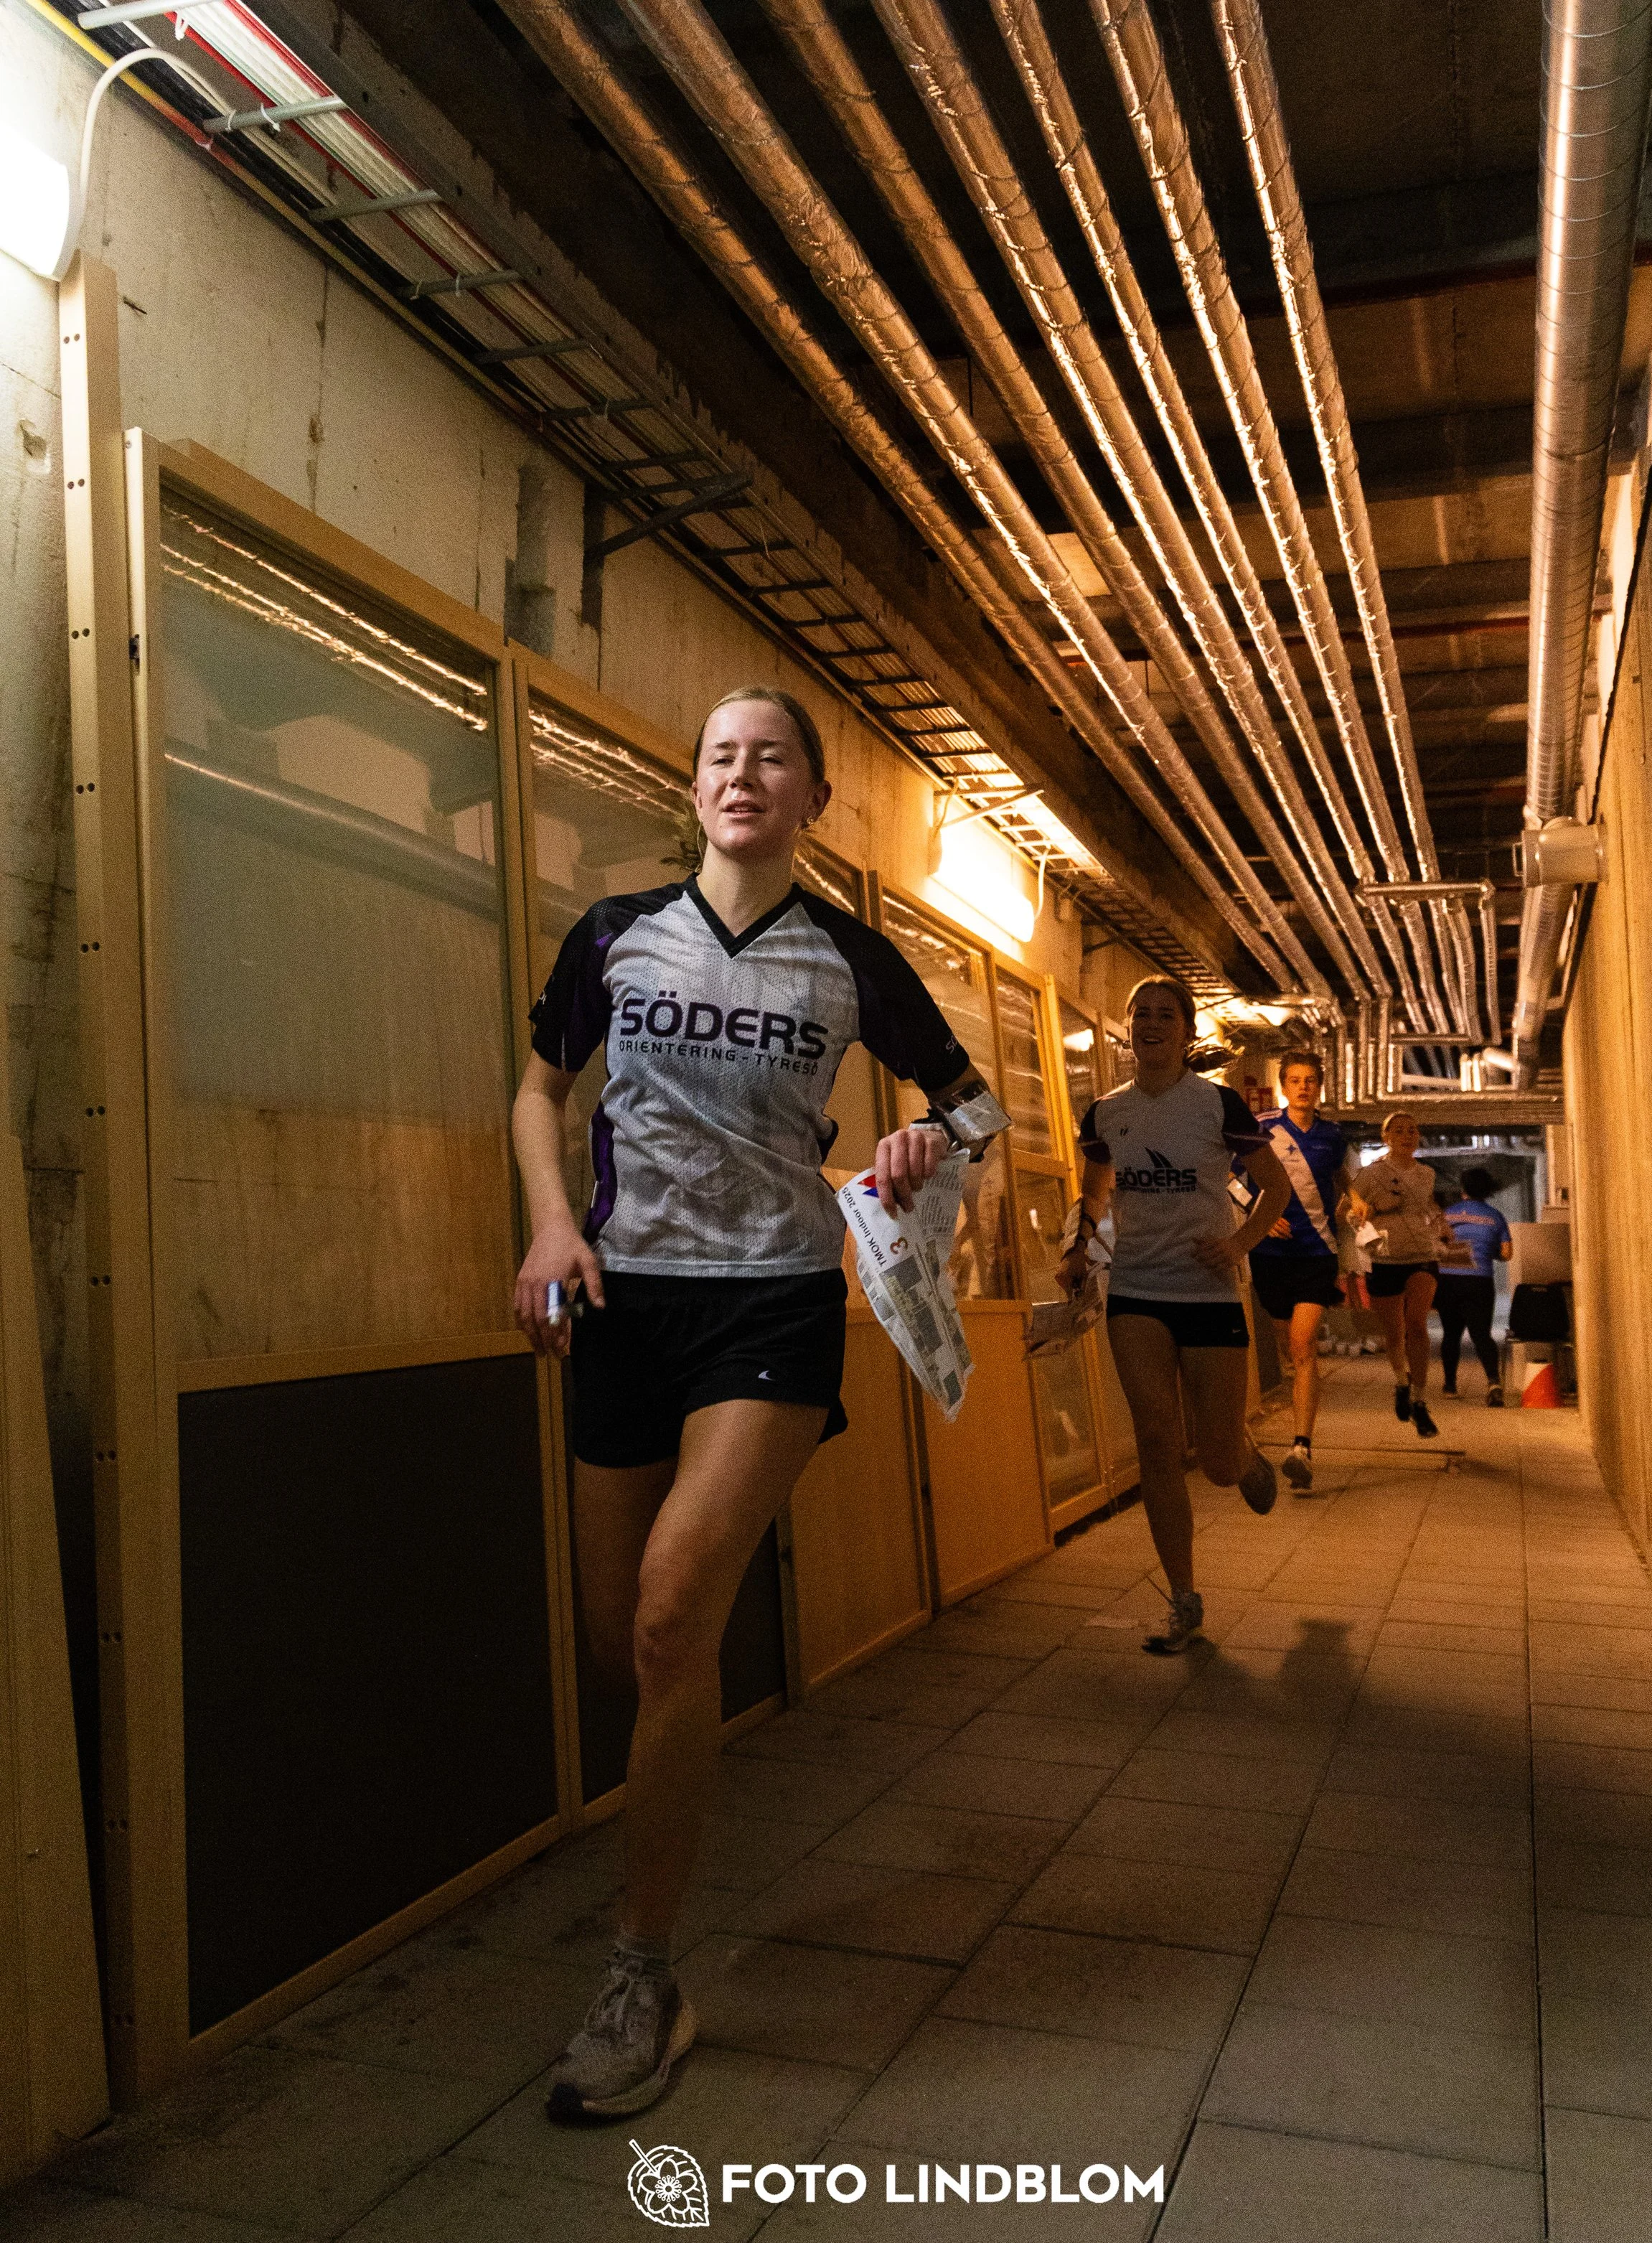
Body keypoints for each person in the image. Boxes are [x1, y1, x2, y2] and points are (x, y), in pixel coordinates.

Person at [512, 684, 1000, 2120]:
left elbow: (975, 1108)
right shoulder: (611, 934)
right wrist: (550, 1225)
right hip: (619, 1302)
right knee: (634, 1646)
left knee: (671, 1608)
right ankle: (664, 1869)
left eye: (769, 754)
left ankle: (640, 1974)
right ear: (698, 786)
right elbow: (538, 1089)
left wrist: (923, 1132)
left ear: (809, 796)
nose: (741, 771)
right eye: (720, 752)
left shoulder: (851, 958)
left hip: (770, 1302)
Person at [1056, 980, 1291, 1654]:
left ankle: (1241, 1456)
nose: (1153, 1024)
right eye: (1142, 1015)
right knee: (1158, 1441)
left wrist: (1240, 1243)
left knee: (1214, 1460)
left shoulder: (1216, 1105)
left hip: (1211, 1290)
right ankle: (1183, 1597)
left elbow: (1274, 1188)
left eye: (1167, 1015)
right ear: (1127, 1030)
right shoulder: (1105, 1114)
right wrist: (1079, 1248)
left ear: (1187, 1031)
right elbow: (1097, 1187)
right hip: (1137, 1292)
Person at [1247, 1050, 1353, 1491]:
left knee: (1303, 1342)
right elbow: (1233, 1179)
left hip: (1317, 1252)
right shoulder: (1260, 1129)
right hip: (1269, 1254)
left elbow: (1342, 1181)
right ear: (1284, 1085)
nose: (1303, 1087)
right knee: (1285, 1344)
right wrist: (1261, 1213)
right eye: (1295, 1080)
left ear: (1320, 1086)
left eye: (1311, 1080)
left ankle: (1301, 1447)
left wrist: (1356, 1199)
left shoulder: (1333, 1135)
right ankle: (1298, 1402)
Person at [1348, 1110, 1455, 1439]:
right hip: (1387, 1256)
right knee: (1394, 1330)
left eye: (1413, 1130)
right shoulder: (1370, 1174)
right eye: (1399, 1131)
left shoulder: (1426, 1174)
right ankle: (1401, 1382)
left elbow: (1428, 1207)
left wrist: (1441, 1224)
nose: (1407, 1135)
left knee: (1417, 1323)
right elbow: (1348, 1213)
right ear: (1386, 1137)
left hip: (1422, 1254)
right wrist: (1376, 1207)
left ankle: (1421, 1401)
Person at [1437, 1165, 1513, 1405]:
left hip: (1448, 1279)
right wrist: (1489, 1252)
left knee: (1451, 1334)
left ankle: (1450, 1385)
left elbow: (1434, 1245)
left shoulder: (1447, 1215)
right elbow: (1506, 1253)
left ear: (1463, 1188)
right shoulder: (1495, 1217)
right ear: (1489, 1190)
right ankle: (1493, 1383)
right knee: (1481, 1334)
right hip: (1479, 1280)